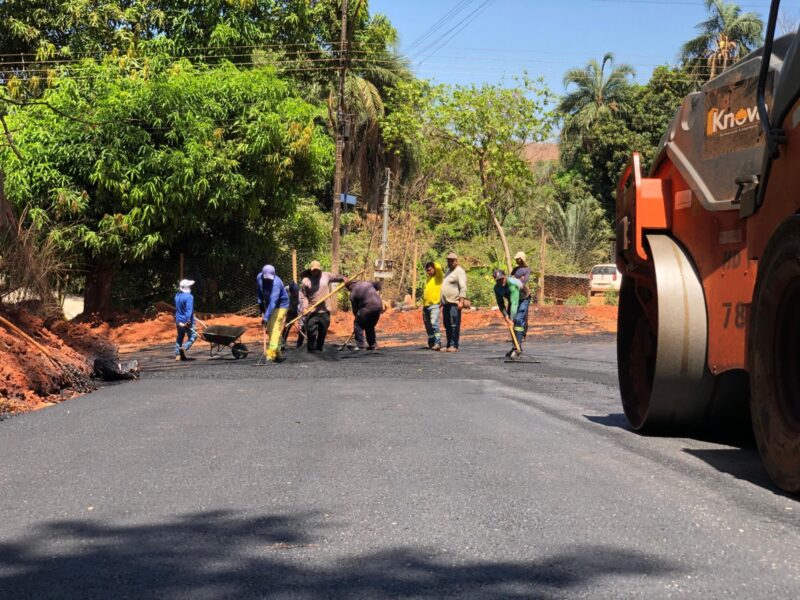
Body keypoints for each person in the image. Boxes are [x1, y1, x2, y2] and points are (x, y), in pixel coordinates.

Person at [298, 260, 345, 352]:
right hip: (312, 311)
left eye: (317, 270)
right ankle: (311, 351)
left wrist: (344, 278)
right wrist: (305, 308)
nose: (315, 272)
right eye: (313, 270)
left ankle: (319, 349)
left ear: (320, 270)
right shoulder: (306, 281)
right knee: (311, 331)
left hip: (325, 310)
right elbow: (304, 296)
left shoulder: (326, 276)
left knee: (323, 332)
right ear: (310, 270)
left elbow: (337, 277)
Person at [493, 269, 530, 358]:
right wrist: (506, 316)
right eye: (498, 280)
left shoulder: (512, 284)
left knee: (517, 320)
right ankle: (515, 347)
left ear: (505, 277)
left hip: (523, 299)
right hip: (512, 300)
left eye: (502, 279)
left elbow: (515, 304)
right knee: (510, 324)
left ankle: (518, 348)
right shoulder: (497, 288)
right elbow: (500, 304)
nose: (501, 282)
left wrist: (511, 319)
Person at [257, 265, 290, 362]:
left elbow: (273, 302)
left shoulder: (276, 283)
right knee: (270, 329)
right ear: (262, 275)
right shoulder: (259, 277)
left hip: (281, 306)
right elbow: (259, 290)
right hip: (269, 305)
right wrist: (260, 303)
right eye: (266, 278)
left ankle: (271, 353)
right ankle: (278, 353)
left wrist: (266, 317)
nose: (268, 280)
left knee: (275, 327)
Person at [440, 252, 467, 352]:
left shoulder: (459, 271)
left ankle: (454, 345)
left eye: (452, 261)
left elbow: (463, 287)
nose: (450, 262)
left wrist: (461, 301)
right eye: (448, 260)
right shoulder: (448, 271)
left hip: (454, 303)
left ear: (456, 261)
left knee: (454, 324)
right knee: (447, 325)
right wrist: (441, 300)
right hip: (446, 303)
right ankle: (448, 345)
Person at [347, 280, 383, 350]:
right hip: (378, 307)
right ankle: (373, 345)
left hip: (367, 307)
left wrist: (358, 321)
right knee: (370, 326)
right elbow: (378, 284)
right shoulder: (367, 283)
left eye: (348, 289)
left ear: (350, 286)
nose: (349, 290)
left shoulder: (353, 293)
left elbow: (355, 310)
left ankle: (360, 346)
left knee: (358, 324)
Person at [422, 261, 443, 350]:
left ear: (434, 269)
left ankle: (438, 342)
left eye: (430, 270)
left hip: (434, 305)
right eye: (427, 271)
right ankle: (431, 342)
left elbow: (438, 267)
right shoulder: (428, 279)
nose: (428, 272)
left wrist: (432, 263)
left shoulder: (438, 277)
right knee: (427, 325)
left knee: (434, 323)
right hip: (426, 306)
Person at [510, 251, 532, 340]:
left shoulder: (527, 269)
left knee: (523, 316)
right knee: (514, 315)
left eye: (518, 259)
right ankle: (515, 335)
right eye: (516, 259)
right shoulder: (515, 269)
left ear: (522, 259)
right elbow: (509, 279)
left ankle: (523, 334)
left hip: (524, 294)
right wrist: (517, 279)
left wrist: (516, 279)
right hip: (515, 294)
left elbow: (524, 281)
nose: (516, 260)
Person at [174, 279, 197, 361]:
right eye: (190, 286)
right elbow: (188, 311)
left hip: (178, 320)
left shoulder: (177, 295)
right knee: (193, 336)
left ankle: (178, 355)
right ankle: (184, 348)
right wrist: (188, 321)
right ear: (187, 288)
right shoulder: (189, 297)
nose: (191, 287)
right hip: (186, 321)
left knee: (180, 337)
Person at [281, 279, 305, 349]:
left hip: (299, 310)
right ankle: (282, 344)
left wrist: (300, 323)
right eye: (294, 293)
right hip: (289, 311)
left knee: (303, 327)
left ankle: (299, 345)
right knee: (286, 326)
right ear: (291, 292)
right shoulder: (285, 290)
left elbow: (301, 309)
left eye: (296, 293)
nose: (295, 294)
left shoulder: (301, 295)